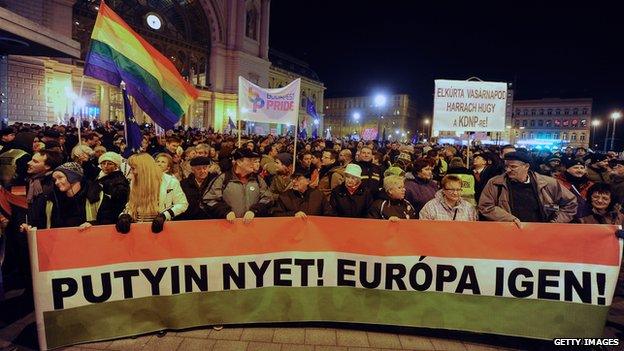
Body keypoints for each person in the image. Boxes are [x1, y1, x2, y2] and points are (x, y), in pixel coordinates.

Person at [478, 151, 577, 225]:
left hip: (542, 235)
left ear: (526, 166)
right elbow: (486, 206)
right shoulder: (495, 183)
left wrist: (554, 222)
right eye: (506, 166)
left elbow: (570, 203)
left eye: (513, 166)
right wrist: (510, 219)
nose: (508, 170)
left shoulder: (548, 183)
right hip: (509, 233)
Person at [116, 153, 188, 234]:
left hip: (160, 228)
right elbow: (132, 204)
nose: (132, 172)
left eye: (133, 168)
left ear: (143, 168)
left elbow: (182, 204)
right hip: (137, 228)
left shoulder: (170, 181)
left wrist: (164, 216)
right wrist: (124, 215)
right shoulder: (134, 181)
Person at [202, 148, 273, 222]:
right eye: (249, 160)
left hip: (252, 226)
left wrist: (255, 210)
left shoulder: (258, 179)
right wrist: (225, 212)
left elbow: (268, 198)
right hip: (228, 226)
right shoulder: (223, 179)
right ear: (239, 162)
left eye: (254, 160)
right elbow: (209, 200)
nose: (253, 163)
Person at [86, 152, 130, 225]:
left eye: (109, 164)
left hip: (109, 221)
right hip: (99, 217)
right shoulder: (100, 177)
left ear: (116, 166)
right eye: (103, 163)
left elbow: (118, 204)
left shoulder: (120, 181)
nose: (106, 166)